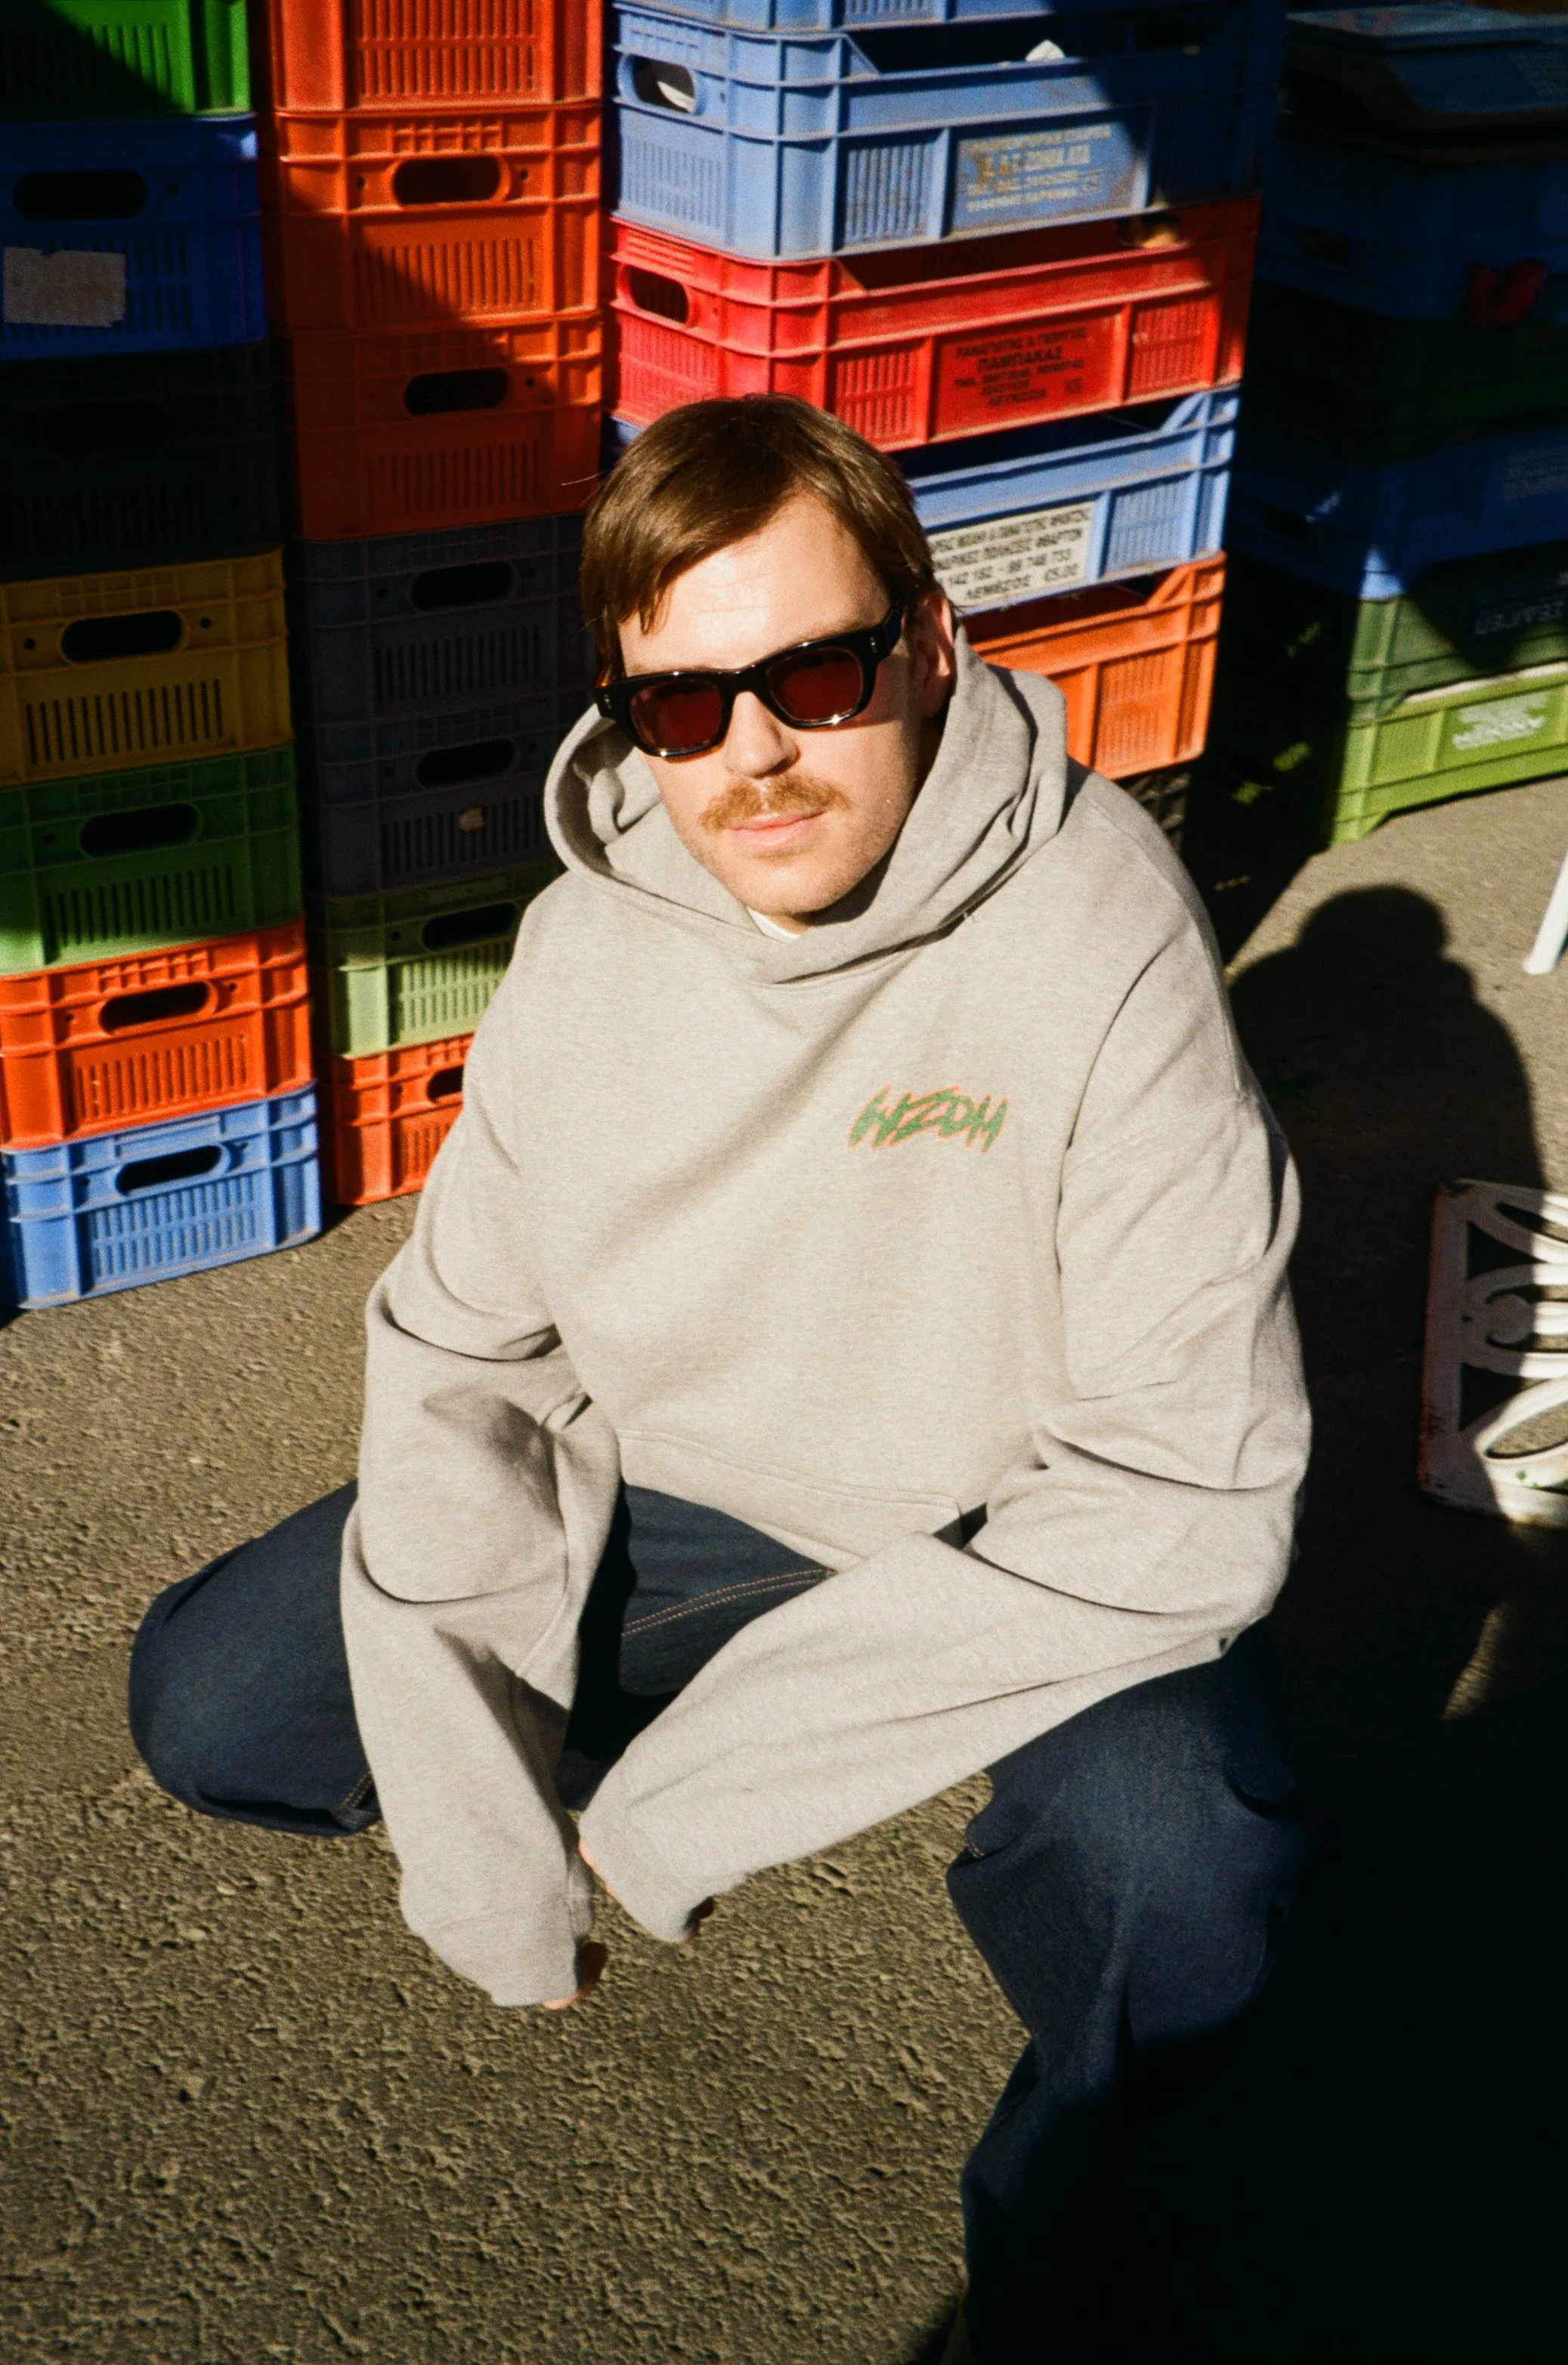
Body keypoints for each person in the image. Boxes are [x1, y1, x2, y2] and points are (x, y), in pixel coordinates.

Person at [129, 397, 1313, 2363]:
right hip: (694, 1507)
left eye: (817, 674)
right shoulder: (584, 952)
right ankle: (605, 1736)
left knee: (1188, 1876)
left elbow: (1187, 1488)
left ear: (930, 646)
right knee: (216, 1700)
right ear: (625, 712)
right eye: (681, 707)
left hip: (1029, 1520)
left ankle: (1064, 2256)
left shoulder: (1099, 936)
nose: (752, 753)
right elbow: (454, 1353)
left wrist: (684, 1812)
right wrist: (496, 1850)